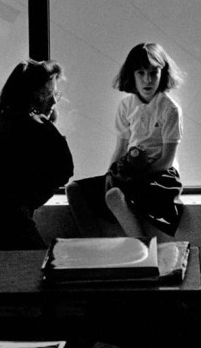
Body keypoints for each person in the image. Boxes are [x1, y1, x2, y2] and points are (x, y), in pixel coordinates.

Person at [66, 42, 185, 241]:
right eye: (141, 73)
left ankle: (143, 250)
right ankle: (93, 246)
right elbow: (120, 148)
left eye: (153, 73)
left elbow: (166, 160)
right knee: (74, 190)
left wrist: (133, 177)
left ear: (162, 74)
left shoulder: (169, 109)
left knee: (113, 196)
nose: (147, 80)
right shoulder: (126, 105)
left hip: (160, 175)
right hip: (130, 169)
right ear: (132, 74)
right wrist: (112, 173)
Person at [0, 59, 74, 253]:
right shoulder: (34, 125)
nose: (54, 100)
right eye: (48, 93)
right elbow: (65, 168)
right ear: (32, 95)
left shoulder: (6, 124)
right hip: (8, 223)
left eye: (55, 94)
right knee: (37, 273)